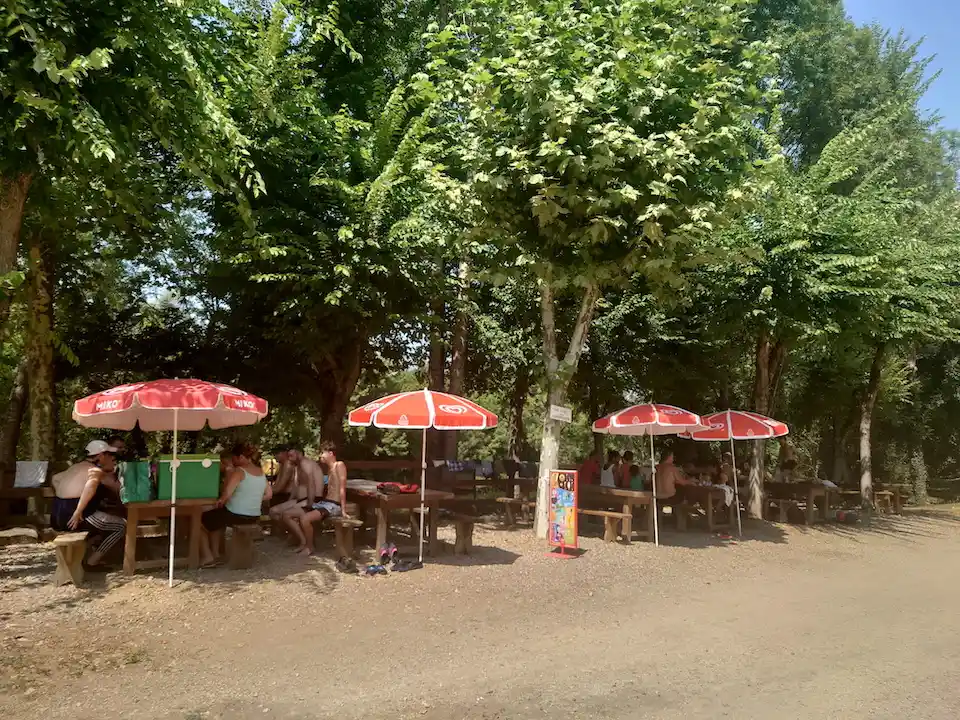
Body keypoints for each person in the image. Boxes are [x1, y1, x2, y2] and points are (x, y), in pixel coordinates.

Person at [51, 440, 127, 568]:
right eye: (109, 454)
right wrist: (78, 511)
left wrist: (63, 494)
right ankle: (92, 562)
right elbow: (91, 485)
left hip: (56, 514)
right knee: (121, 526)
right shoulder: (94, 470)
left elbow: (55, 479)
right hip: (74, 515)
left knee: (101, 526)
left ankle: (87, 555)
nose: (112, 457)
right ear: (101, 455)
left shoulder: (76, 467)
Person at [199, 441, 271, 567]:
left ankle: (207, 557)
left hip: (235, 514)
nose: (233, 461)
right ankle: (216, 554)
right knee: (216, 521)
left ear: (241, 457)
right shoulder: (260, 472)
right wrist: (252, 499)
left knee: (199, 523)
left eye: (234, 458)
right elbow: (269, 494)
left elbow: (226, 493)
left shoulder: (239, 471)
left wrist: (220, 501)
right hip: (254, 515)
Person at [297, 441, 348, 556]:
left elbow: (342, 488)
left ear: (330, 453)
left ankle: (310, 547)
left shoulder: (339, 465)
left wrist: (343, 510)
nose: (321, 456)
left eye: (322, 453)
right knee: (297, 513)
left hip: (334, 505)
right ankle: (305, 543)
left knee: (305, 519)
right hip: (325, 503)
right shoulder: (328, 469)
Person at [277, 447, 327, 548]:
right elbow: (296, 487)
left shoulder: (306, 464)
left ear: (298, 453)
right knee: (274, 511)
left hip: (313, 498)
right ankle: (296, 535)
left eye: (291, 456)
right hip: (300, 499)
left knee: (286, 515)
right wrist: (289, 501)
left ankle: (303, 541)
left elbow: (311, 484)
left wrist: (310, 503)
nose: (290, 459)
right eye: (288, 456)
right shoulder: (297, 466)